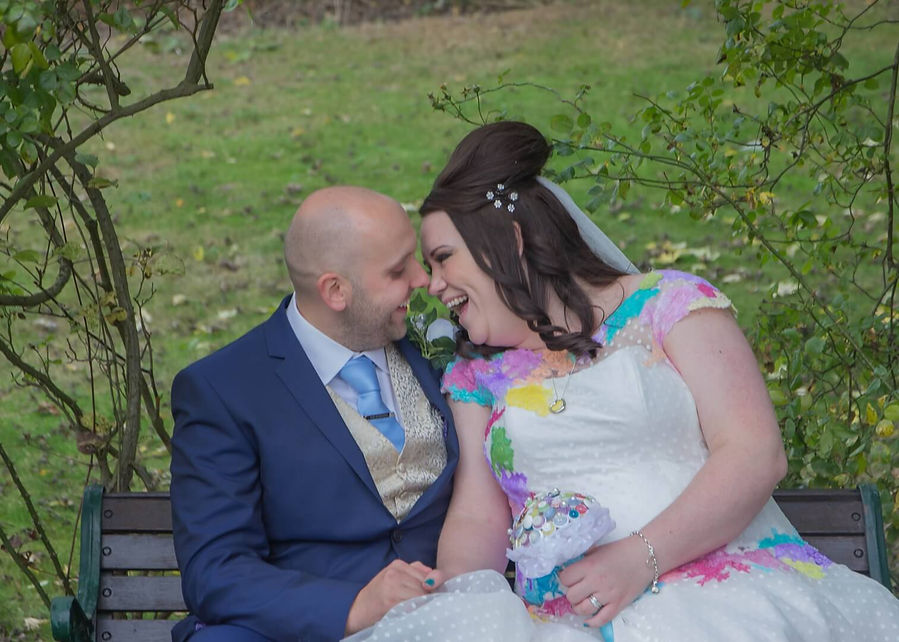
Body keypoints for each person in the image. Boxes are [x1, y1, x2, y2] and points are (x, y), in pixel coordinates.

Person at [345, 122, 899, 641]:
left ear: (509, 240)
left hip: (718, 585)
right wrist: (462, 609)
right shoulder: (476, 377)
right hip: (567, 620)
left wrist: (640, 558)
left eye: (443, 260)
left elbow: (755, 453)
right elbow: (475, 519)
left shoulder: (670, 305)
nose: (434, 285)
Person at [169, 186, 459, 642]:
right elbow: (216, 569)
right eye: (398, 269)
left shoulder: (442, 351)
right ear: (335, 290)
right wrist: (353, 607)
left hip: (449, 617)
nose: (423, 280)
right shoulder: (223, 390)